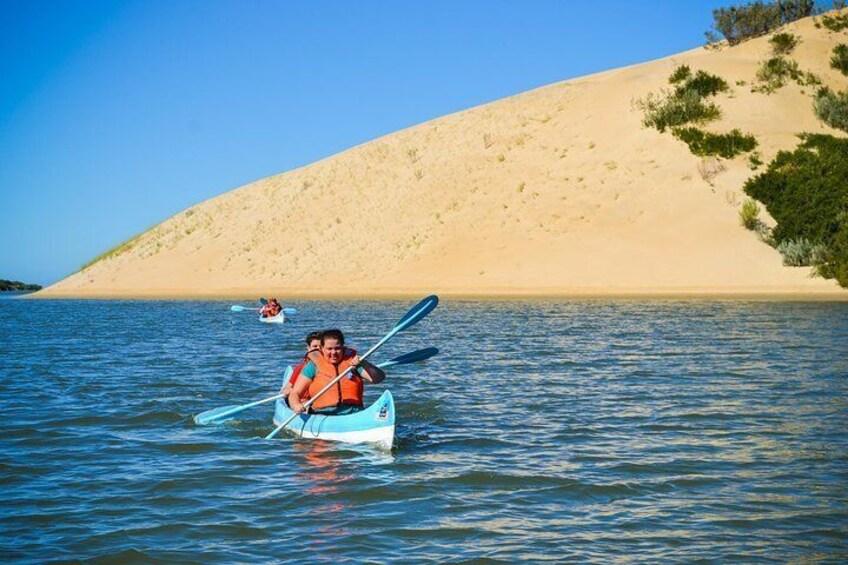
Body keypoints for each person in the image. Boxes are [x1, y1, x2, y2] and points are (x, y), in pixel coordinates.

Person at [287, 329, 385, 415]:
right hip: (324, 414)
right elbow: (294, 393)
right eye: (329, 349)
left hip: (354, 412)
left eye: (337, 348)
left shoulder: (353, 363)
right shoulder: (313, 366)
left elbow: (379, 379)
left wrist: (365, 363)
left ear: (343, 347)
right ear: (321, 349)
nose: (333, 353)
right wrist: (296, 405)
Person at [280, 331, 323, 396]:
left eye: (321, 346)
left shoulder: (330, 366)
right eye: (315, 346)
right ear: (308, 348)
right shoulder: (300, 368)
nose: (318, 349)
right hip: (305, 403)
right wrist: (289, 391)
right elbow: (287, 387)